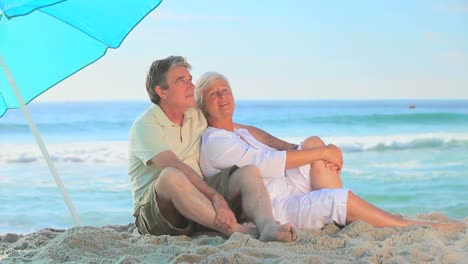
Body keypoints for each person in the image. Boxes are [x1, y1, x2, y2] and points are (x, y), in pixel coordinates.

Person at [195, 71, 465, 231]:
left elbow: (267, 142)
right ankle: (408, 226)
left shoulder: (237, 131)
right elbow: (266, 162)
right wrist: (324, 154)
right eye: (213, 94)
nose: (222, 97)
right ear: (203, 107)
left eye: (225, 90)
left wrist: (318, 150)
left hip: (285, 187)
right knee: (340, 195)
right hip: (275, 208)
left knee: (312, 141)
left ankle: (341, 214)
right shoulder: (215, 141)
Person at [128, 56, 297, 242]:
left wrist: (286, 147)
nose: (191, 86)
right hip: (158, 215)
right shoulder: (145, 125)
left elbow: (238, 127)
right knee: (170, 175)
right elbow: (175, 166)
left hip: (198, 205)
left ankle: (267, 226)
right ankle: (236, 230)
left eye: (189, 79)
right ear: (161, 91)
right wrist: (216, 197)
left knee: (248, 171)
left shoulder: (194, 115)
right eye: (181, 80)